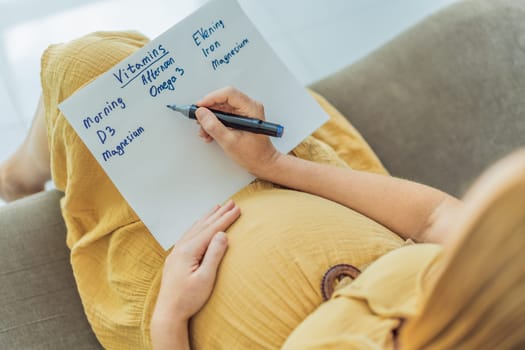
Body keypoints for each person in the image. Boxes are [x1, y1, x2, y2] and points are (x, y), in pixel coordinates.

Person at [1, 31, 524, 349]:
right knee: (134, 70)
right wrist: (276, 164)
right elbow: (434, 219)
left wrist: (171, 315)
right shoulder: (496, 285)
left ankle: (21, 174)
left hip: (172, 264)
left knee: (83, 68)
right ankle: (28, 168)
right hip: (292, 183)